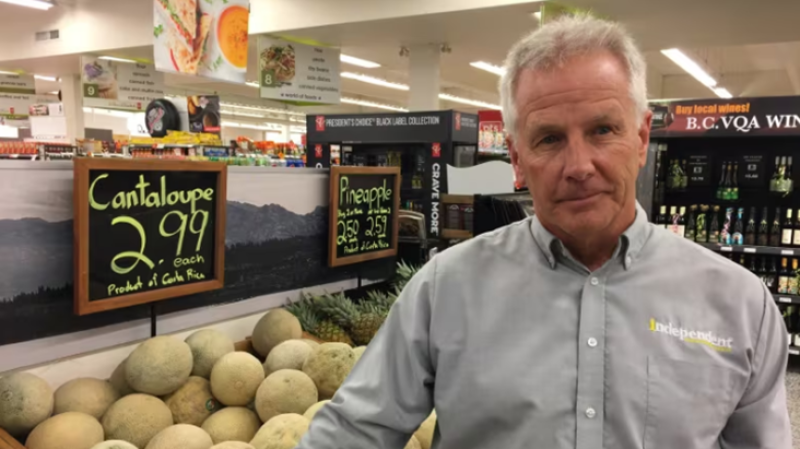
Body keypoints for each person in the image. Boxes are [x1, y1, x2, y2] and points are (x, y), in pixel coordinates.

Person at [296, 14, 791, 449]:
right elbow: (354, 430)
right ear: (515, 158)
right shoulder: (445, 289)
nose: (579, 166)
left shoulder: (739, 305)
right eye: (549, 139)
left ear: (641, 139)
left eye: (602, 130)